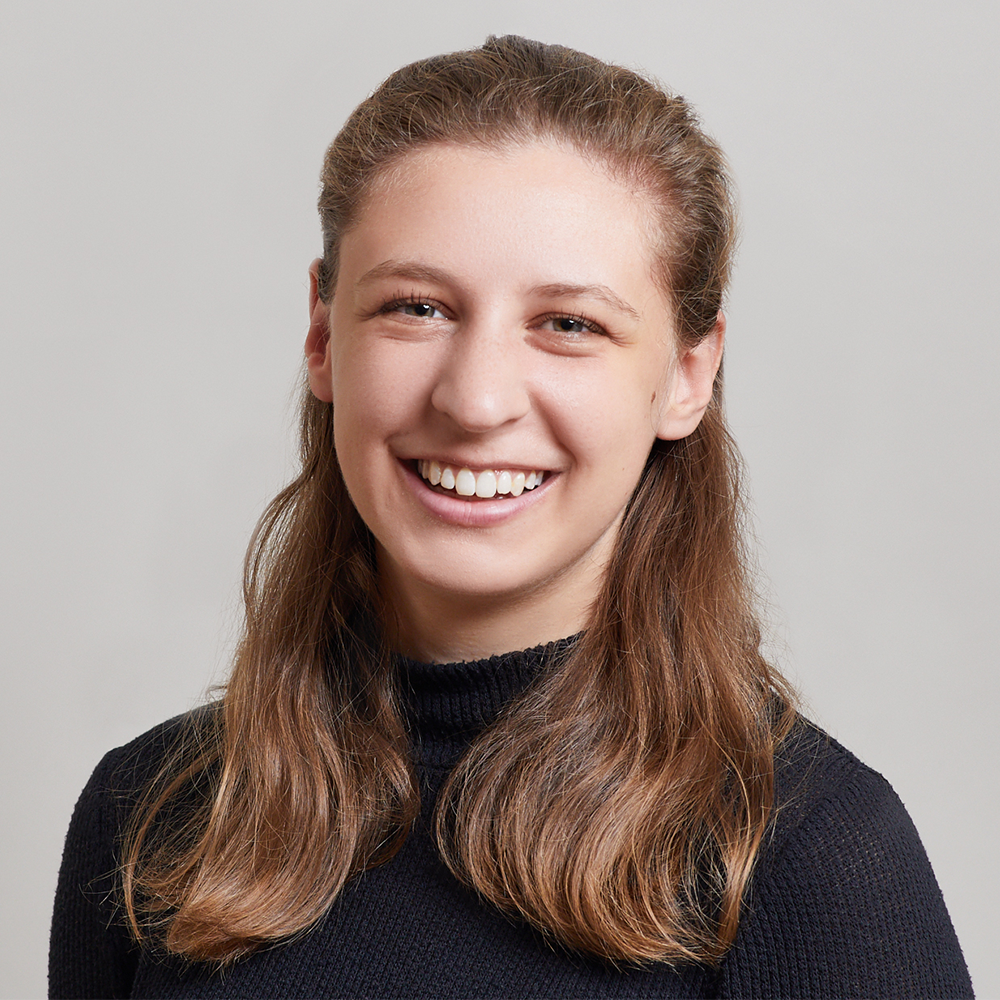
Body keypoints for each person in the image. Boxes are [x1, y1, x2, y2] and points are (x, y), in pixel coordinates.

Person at [49, 35, 972, 999]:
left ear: (688, 376)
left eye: (569, 324)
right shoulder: (148, 815)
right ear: (323, 336)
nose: (477, 399)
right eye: (417, 307)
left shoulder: (808, 854)